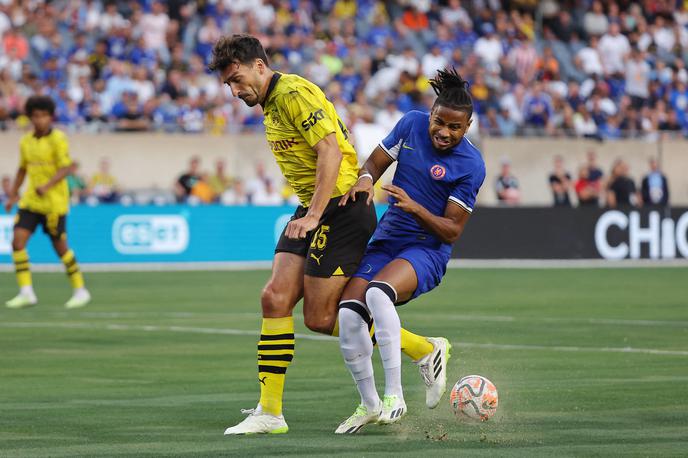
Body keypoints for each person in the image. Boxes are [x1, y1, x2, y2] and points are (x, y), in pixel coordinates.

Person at [210, 35, 445, 435]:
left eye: (237, 78)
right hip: (314, 209)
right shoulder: (271, 105)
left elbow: (331, 152)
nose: (234, 90)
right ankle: (270, 413)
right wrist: (309, 211)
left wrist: (315, 214)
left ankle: (424, 349)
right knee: (274, 298)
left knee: (321, 318)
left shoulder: (293, 92)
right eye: (228, 84)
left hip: (341, 209)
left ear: (259, 66)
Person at [334, 68, 485, 433]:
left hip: (426, 251)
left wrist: (416, 207)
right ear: (430, 114)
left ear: (467, 128)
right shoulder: (410, 124)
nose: (443, 132)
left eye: (454, 128)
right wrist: (367, 181)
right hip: (387, 241)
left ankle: (395, 397)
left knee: (377, 294)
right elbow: (372, 164)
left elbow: (451, 231)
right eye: (439, 122)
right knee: (348, 316)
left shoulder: (471, 165)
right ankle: (369, 404)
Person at [4, 95, 91, 309]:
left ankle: (80, 290)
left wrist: (48, 185)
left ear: (50, 117)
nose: (40, 120)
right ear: (30, 118)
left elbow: (66, 167)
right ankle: (26, 292)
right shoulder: (25, 141)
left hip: (54, 203)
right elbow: (22, 168)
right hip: (31, 201)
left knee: (60, 248)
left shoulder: (58, 139)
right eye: (36, 116)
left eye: (44, 116)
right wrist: (13, 194)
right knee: (17, 242)